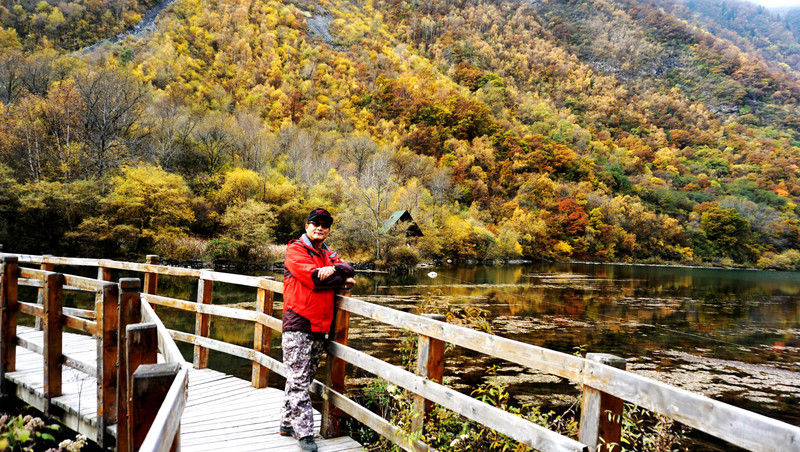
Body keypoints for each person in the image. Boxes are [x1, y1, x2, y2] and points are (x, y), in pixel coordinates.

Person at [279, 208, 355, 452]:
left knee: (304, 378)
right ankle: (305, 435)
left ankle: (287, 423)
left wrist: (336, 270)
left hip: (320, 326)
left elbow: (349, 268)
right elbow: (313, 279)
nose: (320, 227)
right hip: (298, 322)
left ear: (329, 229)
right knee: (299, 379)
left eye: (325, 224)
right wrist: (339, 276)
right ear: (307, 226)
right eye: (315, 223)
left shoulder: (327, 253)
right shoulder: (295, 250)